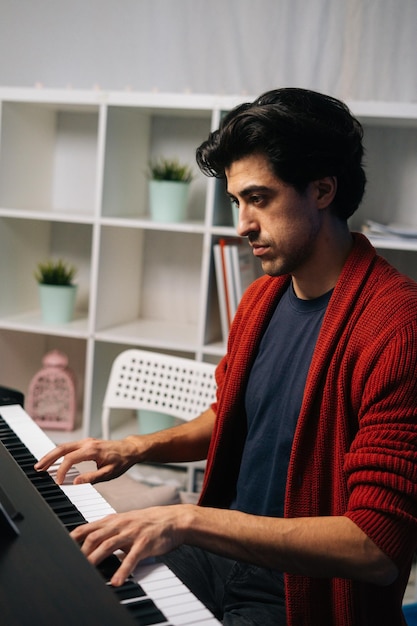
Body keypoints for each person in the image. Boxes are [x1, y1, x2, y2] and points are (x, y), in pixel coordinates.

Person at [35, 88, 417, 626]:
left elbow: (375, 548)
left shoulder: (397, 326)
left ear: (323, 190)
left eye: (259, 199)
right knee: (70, 588)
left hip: (302, 597)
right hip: (221, 560)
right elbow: (233, 416)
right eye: (237, 202)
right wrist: (135, 447)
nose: (241, 225)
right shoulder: (263, 298)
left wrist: (187, 521)